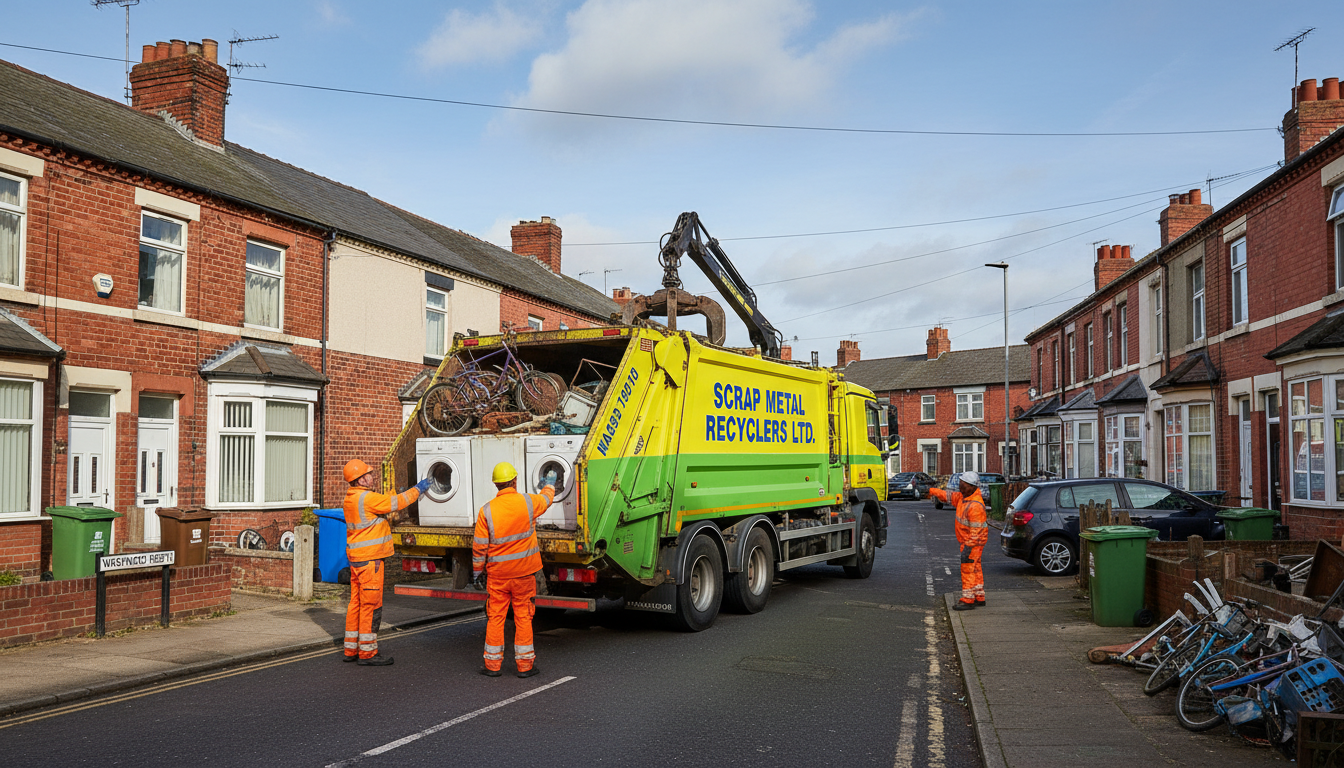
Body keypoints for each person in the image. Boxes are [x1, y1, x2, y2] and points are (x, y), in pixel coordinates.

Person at [342, 459, 430, 666]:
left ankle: (350, 649)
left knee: (356, 603)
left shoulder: (351, 498)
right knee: (371, 606)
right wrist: (418, 489)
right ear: (361, 479)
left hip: (356, 560)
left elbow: (380, 505)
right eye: (369, 474)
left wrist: (392, 493)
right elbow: (396, 504)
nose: (372, 476)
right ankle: (367, 652)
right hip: (371, 560)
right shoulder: (367, 498)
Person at [473, 461, 556, 678]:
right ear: (515, 481)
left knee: (496, 618)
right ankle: (525, 667)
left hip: (498, 576)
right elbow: (547, 500)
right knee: (523, 618)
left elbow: (479, 547)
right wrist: (549, 484)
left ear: (496, 484)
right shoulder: (527, 502)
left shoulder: (486, 510)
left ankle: (492, 666)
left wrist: (476, 572)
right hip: (523, 575)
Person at [927, 470, 988, 611]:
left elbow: (976, 531)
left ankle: (968, 599)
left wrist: (968, 547)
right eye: (960, 484)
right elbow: (947, 496)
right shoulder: (963, 498)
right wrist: (933, 491)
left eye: (963, 485)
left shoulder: (974, 506)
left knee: (967, 570)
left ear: (972, 486)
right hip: (971, 542)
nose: (960, 487)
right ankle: (979, 596)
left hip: (972, 543)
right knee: (975, 568)